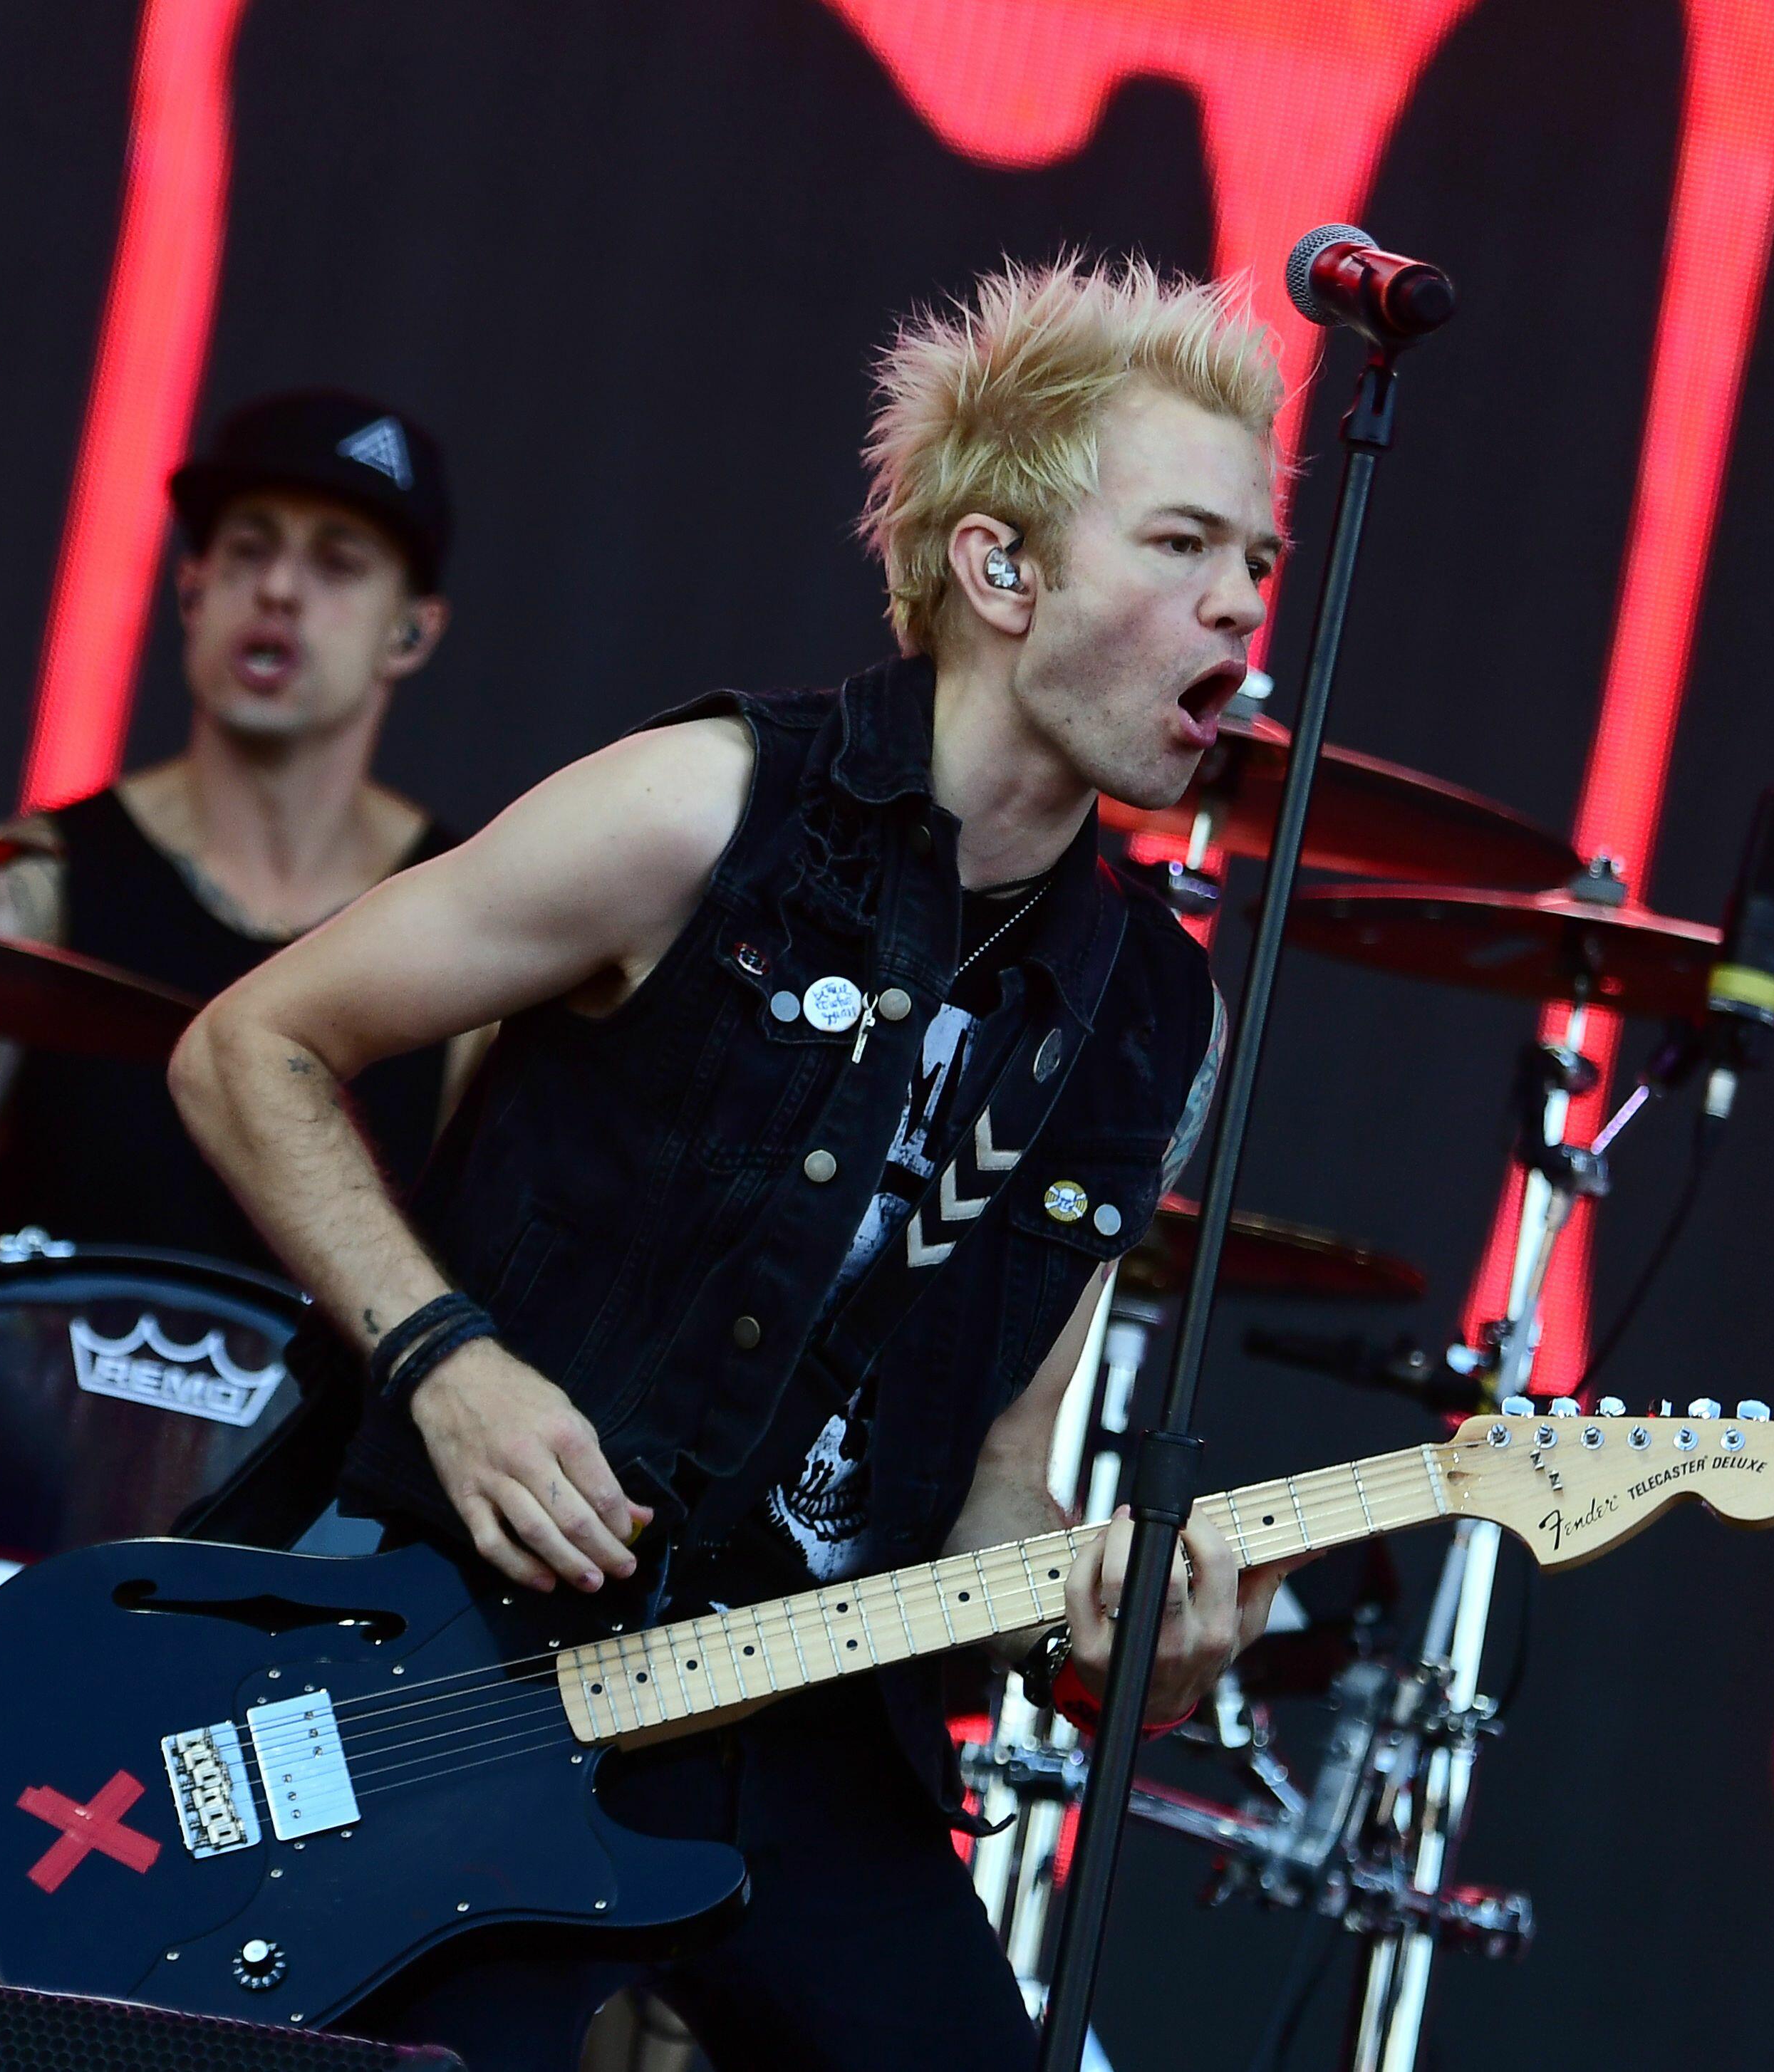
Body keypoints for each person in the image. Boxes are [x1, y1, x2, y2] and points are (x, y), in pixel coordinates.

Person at [170, 259, 1297, 2070]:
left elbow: (999, 1483)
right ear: (1001, 570)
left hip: (800, 1709)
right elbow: (250, 1047)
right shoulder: (707, 806)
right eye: (1183, 544)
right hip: (470, 1652)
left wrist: (1119, 1638)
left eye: (1258, 560)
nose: (1241, 604)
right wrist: (444, 1359)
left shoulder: (1157, 1021)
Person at [0, 389, 488, 1279]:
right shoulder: (42, 879)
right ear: (192, 590)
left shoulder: (467, 920)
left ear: (411, 633)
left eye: (337, 563)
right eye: (248, 550)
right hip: (39, 1373)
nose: (278, 588)